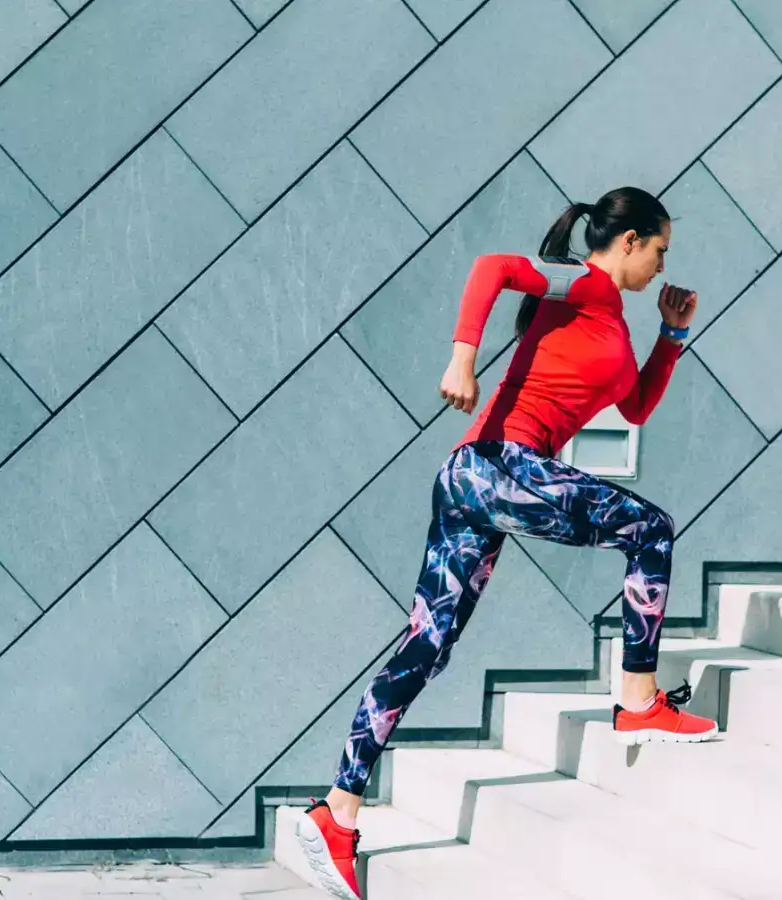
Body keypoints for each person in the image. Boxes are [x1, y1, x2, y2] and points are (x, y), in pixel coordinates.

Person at [296, 186, 717, 899]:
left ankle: (337, 812)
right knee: (651, 531)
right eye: (660, 250)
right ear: (630, 241)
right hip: (497, 465)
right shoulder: (582, 283)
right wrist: (463, 361)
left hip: (472, 482)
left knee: (426, 648)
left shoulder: (612, 322)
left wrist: (670, 336)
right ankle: (640, 701)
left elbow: (636, 405)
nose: (662, 267)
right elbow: (492, 266)